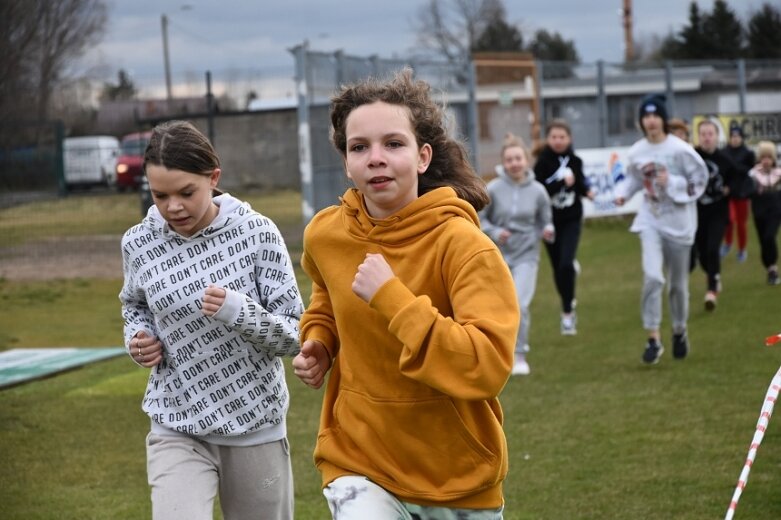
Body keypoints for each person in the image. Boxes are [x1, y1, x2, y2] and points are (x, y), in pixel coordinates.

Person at [291, 70, 519, 519]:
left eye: (393, 144)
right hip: (357, 457)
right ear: (346, 162)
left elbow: (486, 365)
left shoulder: (464, 245)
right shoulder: (325, 234)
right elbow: (327, 293)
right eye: (360, 147)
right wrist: (319, 338)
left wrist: (393, 299)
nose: (376, 158)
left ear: (422, 157)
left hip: (456, 473)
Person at [119, 120, 303, 520]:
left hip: (255, 424)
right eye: (159, 195)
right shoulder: (139, 242)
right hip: (176, 423)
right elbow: (134, 306)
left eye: (187, 192)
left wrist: (238, 311)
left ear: (213, 178)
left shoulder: (258, 234)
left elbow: (294, 335)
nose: (173, 207)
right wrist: (138, 337)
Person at [614, 94, 707, 364]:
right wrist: (622, 194)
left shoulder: (680, 150)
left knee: (678, 285)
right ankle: (653, 338)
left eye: (655, 116)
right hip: (650, 219)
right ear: (641, 121)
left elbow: (699, 181)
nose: (651, 121)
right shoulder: (637, 152)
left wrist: (672, 182)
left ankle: (679, 330)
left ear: (663, 119)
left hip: (680, 224)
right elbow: (632, 180)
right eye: (646, 116)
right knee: (653, 277)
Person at [534, 118, 594, 335]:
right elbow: (539, 192)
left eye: (562, 137)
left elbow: (580, 183)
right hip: (549, 222)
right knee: (558, 268)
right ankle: (567, 297)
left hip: (571, 219)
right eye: (554, 137)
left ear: (569, 139)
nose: (558, 141)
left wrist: (587, 191)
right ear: (548, 139)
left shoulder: (575, 161)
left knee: (566, 265)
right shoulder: (542, 162)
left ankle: (567, 312)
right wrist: (561, 183)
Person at [692, 119, 744, 311]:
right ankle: (714, 274)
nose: (706, 138)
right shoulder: (692, 156)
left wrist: (731, 188)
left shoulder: (725, 160)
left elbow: (738, 179)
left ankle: (712, 291)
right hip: (697, 213)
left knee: (714, 248)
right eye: (703, 134)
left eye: (710, 134)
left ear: (717, 136)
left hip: (719, 213)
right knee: (703, 254)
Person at [721, 122, 757, 262]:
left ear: (741, 137)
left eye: (737, 136)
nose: (735, 139)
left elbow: (749, 169)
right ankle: (727, 243)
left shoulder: (748, 153)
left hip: (742, 193)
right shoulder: (724, 152)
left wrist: (736, 167)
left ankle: (742, 249)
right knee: (728, 220)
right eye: (732, 136)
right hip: (728, 193)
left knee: (741, 223)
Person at [748, 141, 781, 285]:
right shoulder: (753, 175)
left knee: (769, 237)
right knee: (763, 242)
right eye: (763, 157)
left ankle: (773, 267)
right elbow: (747, 191)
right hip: (759, 211)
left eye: (769, 157)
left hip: (775, 211)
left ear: (773, 158)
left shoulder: (779, 174)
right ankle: (769, 269)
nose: (766, 160)